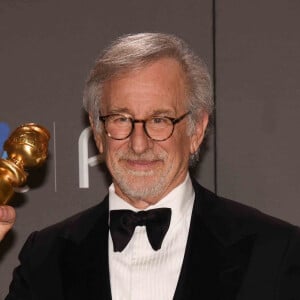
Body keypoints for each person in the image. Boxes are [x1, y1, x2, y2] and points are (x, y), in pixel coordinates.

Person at [6, 33, 300, 300]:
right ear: (97, 132)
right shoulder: (45, 257)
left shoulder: (273, 252)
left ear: (196, 130)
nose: (138, 143)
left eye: (160, 120)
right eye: (121, 119)